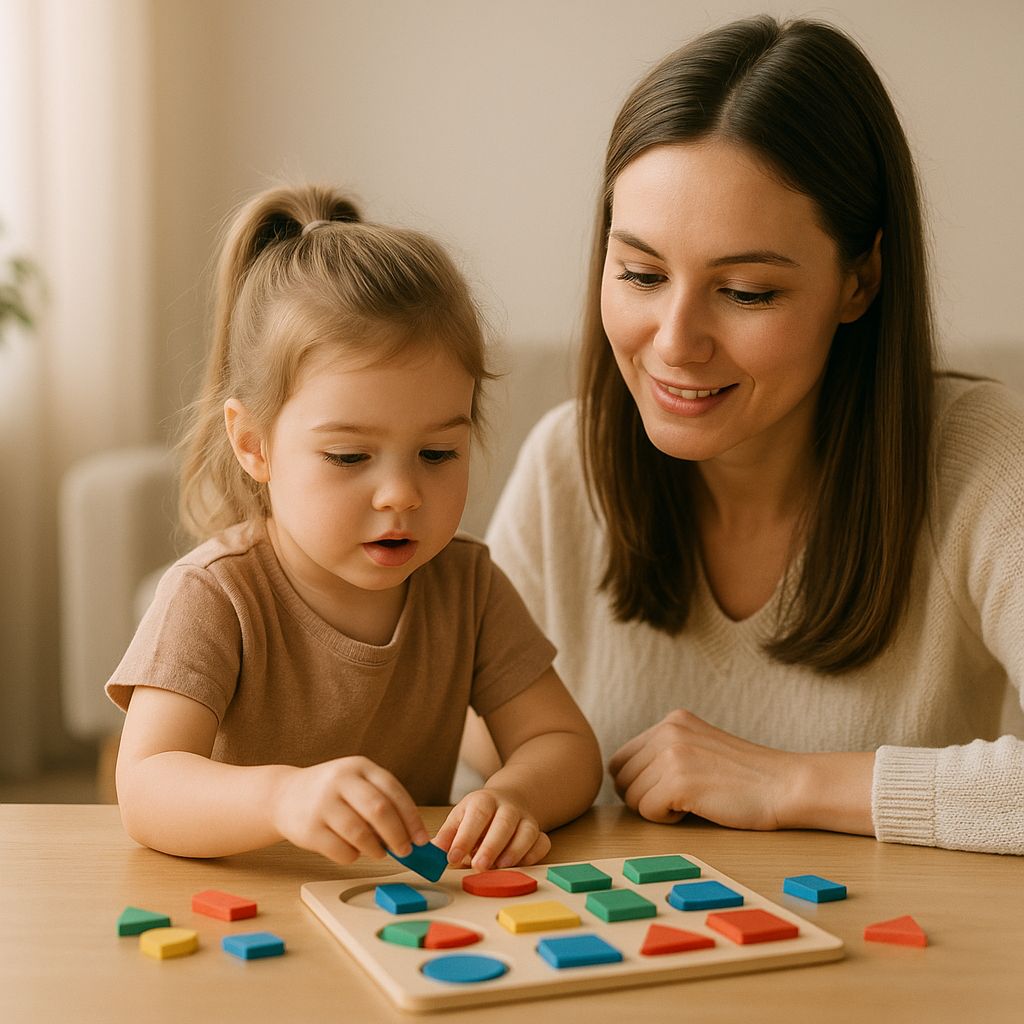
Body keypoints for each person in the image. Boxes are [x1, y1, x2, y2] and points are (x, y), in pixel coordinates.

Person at [469, 16, 1024, 855]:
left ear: (859, 280)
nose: (675, 342)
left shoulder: (983, 461)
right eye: (641, 274)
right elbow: (473, 748)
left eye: (748, 292)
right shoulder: (564, 464)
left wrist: (790, 783)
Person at [107, 184, 602, 871]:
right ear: (253, 444)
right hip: (246, 908)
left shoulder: (469, 586)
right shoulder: (213, 595)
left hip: (398, 914)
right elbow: (145, 787)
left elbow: (566, 746)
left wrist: (514, 797)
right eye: (348, 457)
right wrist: (282, 798)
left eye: (438, 453)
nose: (402, 495)